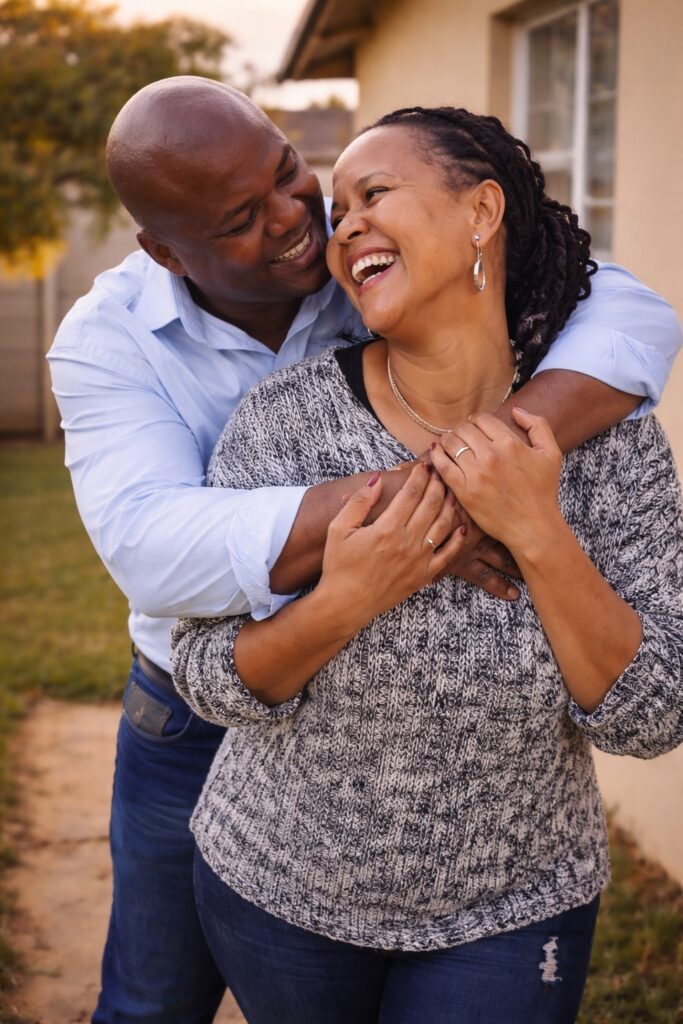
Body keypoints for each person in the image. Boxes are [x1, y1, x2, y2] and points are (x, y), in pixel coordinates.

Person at [47, 77, 681, 1024]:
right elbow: (149, 548)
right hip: (199, 734)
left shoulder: (394, 279)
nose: (304, 222)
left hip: (504, 879)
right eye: (238, 220)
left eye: (289, 176)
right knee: (150, 1000)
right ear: (165, 253)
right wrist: (423, 506)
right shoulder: (108, 343)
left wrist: (507, 472)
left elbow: (632, 314)